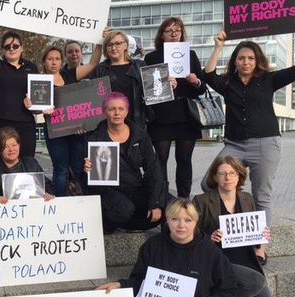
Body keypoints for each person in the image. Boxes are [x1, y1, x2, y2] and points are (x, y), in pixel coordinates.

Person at [202, 30, 295, 263]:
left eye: (250, 58)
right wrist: (218, 46)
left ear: (257, 61)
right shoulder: (228, 84)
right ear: (235, 61)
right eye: (241, 58)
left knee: (262, 195)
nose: (245, 62)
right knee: (208, 182)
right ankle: (233, 224)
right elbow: (208, 75)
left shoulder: (269, 79)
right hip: (234, 146)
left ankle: (259, 247)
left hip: (265, 144)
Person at [97, 198, 239, 297]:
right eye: (175, 219)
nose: (181, 225)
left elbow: (229, 290)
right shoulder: (152, 246)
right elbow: (140, 280)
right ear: (167, 220)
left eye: (188, 220)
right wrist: (120, 285)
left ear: (196, 222)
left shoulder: (211, 251)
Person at [193, 155, 286, 297]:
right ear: (214, 177)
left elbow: (252, 235)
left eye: (232, 173)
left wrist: (261, 239)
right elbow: (190, 235)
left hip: (247, 261)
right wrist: (209, 238)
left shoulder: (246, 198)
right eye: (222, 173)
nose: (228, 178)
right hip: (219, 263)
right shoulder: (202, 201)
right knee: (257, 282)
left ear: (239, 176)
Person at [23, 42, 103, 196]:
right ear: (44, 61)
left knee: (79, 168)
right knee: (61, 169)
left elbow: (93, 63)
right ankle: (60, 204)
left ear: (61, 61)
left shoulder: (70, 74)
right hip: (55, 132)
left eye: (57, 59)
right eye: (50, 59)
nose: (54, 62)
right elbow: (35, 108)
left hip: (77, 131)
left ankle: (82, 200)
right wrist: (34, 107)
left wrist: (98, 42)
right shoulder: (39, 81)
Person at [84, 92, 166, 233]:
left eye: (121, 109)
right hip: (109, 191)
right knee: (125, 210)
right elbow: (89, 180)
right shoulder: (94, 138)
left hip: (136, 187)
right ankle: (112, 222)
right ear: (104, 112)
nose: (117, 113)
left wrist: (156, 203)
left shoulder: (140, 135)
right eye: (112, 109)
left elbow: (153, 169)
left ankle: (123, 223)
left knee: (168, 207)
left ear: (127, 111)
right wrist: (87, 169)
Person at [144, 17, 206, 198]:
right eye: (169, 31)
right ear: (161, 35)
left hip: (187, 115)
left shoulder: (190, 55)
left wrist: (195, 81)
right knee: (160, 160)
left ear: (181, 34)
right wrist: (163, 83)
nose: (173, 34)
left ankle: (184, 200)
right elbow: (148, 90)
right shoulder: (151, 57)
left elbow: (202, 89)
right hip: (161, 117)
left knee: (185, 160)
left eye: (177, 31)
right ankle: (162, 199)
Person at [0, 11, 38, 157]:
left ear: (22, 48)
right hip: (0, 123)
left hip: (25, 124)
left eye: (15, 46)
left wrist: (35, 104)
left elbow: (38, 95)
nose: (11, 49)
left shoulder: (32, 67)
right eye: (7, 47)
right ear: (3, 50)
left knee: (27, 163)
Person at [90, 30, 151, 129]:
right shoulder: (99, 70)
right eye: (109, 45)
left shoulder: (139, 65)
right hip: (108, 125)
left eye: (118, 44)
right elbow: (91, 98)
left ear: (126, 45)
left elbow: (154, 91)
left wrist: (167, 84)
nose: (113, 48)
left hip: (136, 122)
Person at [0, 127, 54, 203]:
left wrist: (47, 195)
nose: (11, 149)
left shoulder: (31, 163)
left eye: (14, 145)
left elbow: (47, 186)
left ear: (19, 146)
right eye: (6, 146)